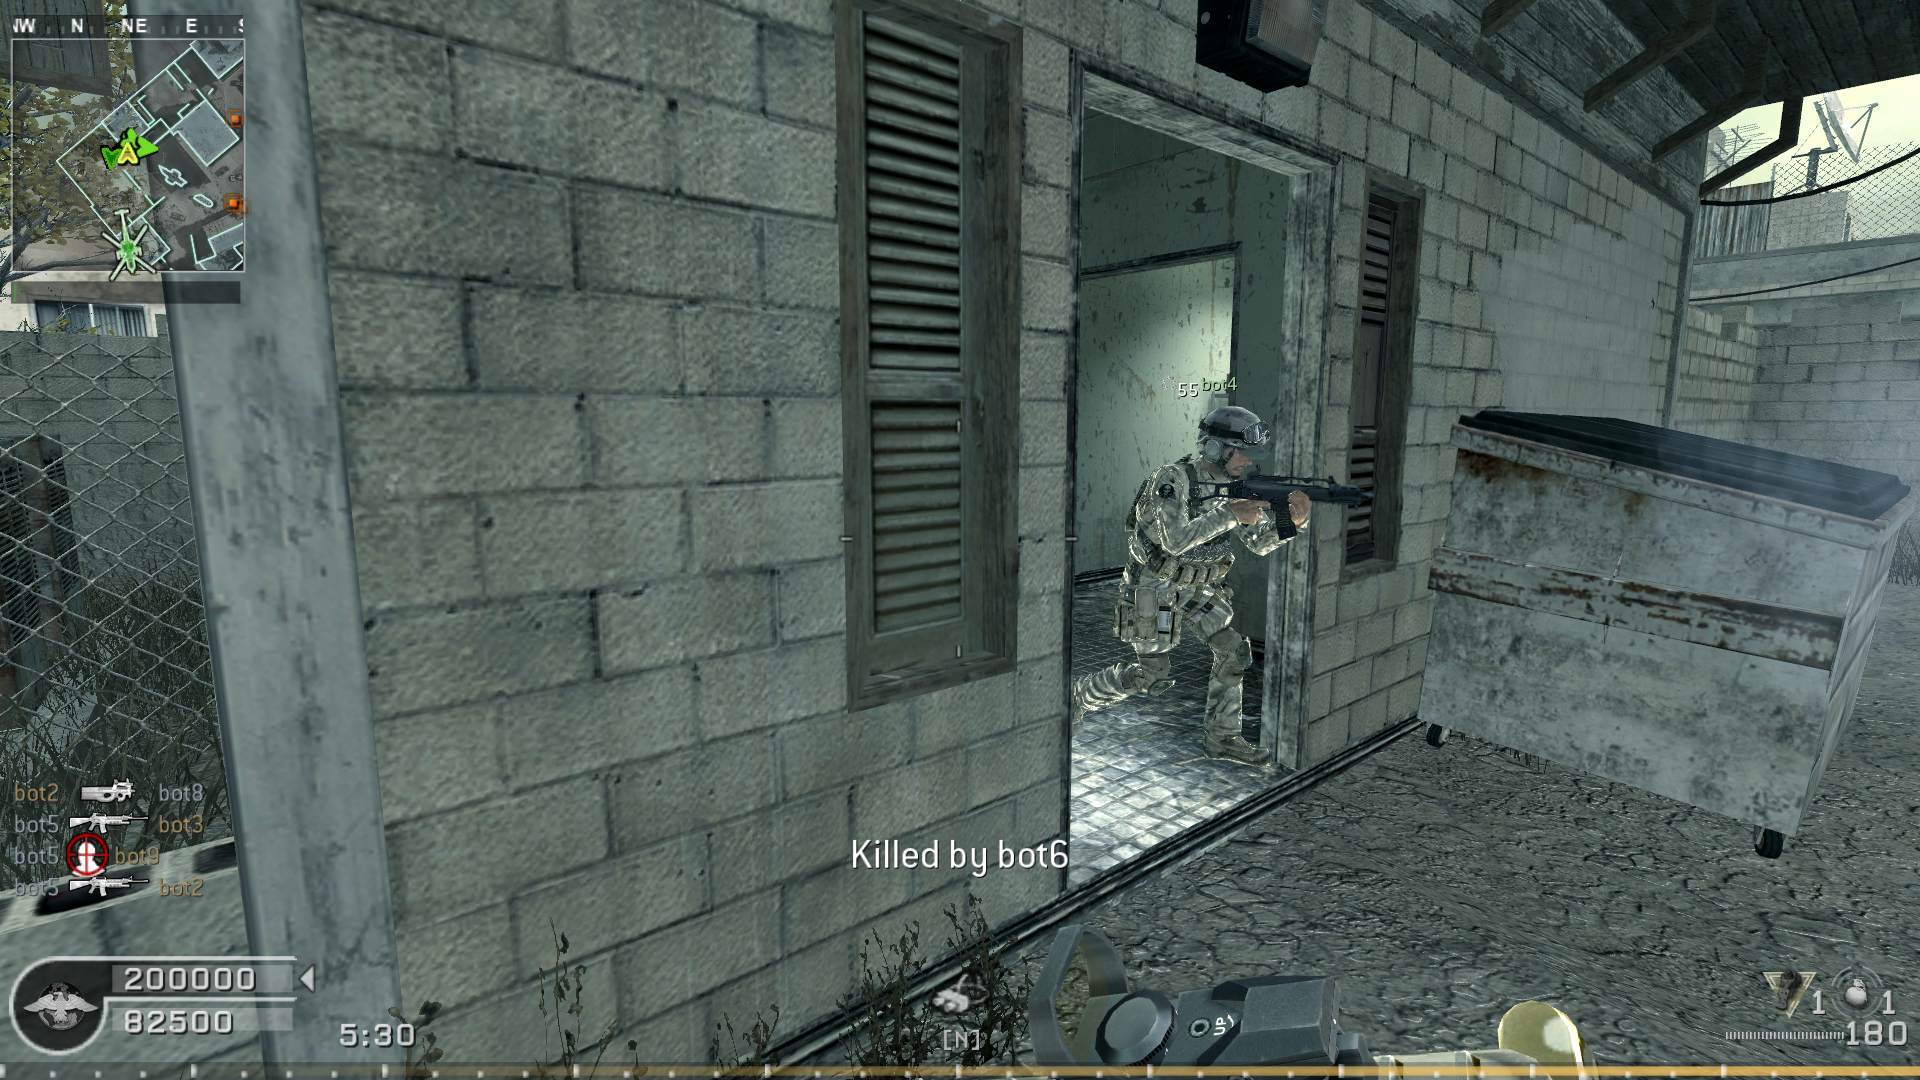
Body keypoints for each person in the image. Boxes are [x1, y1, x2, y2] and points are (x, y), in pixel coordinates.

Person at [1070, 405, 1310, 764]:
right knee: (1152, 676)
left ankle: (1222, 738)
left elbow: (1259, 543)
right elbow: (1175, 541)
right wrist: (1230, 513)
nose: (1248, 460)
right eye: (1241, 451)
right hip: (1153, 586)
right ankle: (1080, 697)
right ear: (1215, 448)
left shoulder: (1234, 488)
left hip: (1199, 586)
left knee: (1234, 653)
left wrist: (1294, 522)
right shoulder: (1172, 480)